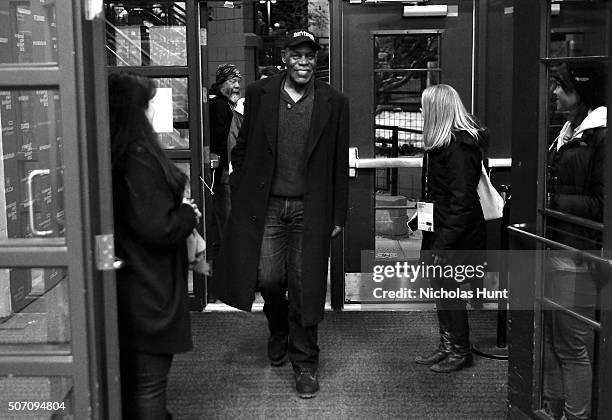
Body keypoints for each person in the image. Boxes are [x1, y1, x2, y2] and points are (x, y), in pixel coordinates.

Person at [212, 29, 349, 398]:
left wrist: (338, 214)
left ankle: (305, 362)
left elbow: (338, 161)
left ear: (315, 60)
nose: (304, 62)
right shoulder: (259, 94)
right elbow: (239, 150)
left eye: (310, 56)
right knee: (269, 279)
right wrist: (240, 192)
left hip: (311, 208)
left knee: (305, 285)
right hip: (267, 206)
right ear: (285, 58)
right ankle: (278, 330)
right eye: (298, 55)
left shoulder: (334, 101)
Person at [108, 71, 201, 419]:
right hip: (147, 288)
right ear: (135, 109)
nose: (151, 111)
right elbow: (158, 228)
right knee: (148, 383)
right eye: (147, 104)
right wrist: (188, 216)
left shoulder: (115, 152)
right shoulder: (138, 158)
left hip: (129, 280)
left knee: (135, 382)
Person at [542, 62, 605, 420]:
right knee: (554, 339)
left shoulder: (601, 135)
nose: (554, 93)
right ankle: (553, 407)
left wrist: (549, 202)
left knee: (573, 345)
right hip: (556, 246)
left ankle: (576, 415)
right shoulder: (569, 132)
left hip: (580, 254)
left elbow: (602, 205)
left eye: (560, 86)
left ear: (581, 92)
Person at [414, 84, 488, 373]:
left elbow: (462, 202)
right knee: (442, 292)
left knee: (451, 293)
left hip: (455, 236)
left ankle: (460, 351)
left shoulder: (460, 147)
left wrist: (442, 245)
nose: (421, 111)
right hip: (442, 230)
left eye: (424, 106)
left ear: (437, 110)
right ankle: (448, 346)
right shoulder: (442, 145)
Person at [208, 64, 242, 263]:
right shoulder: (219, 106)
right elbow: (221, 140)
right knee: (227, 219)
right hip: (223, 172)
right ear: (221, 84)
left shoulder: (227, 104)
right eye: (232, 81)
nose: (237, 85)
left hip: (226, 171)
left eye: (238, 81)